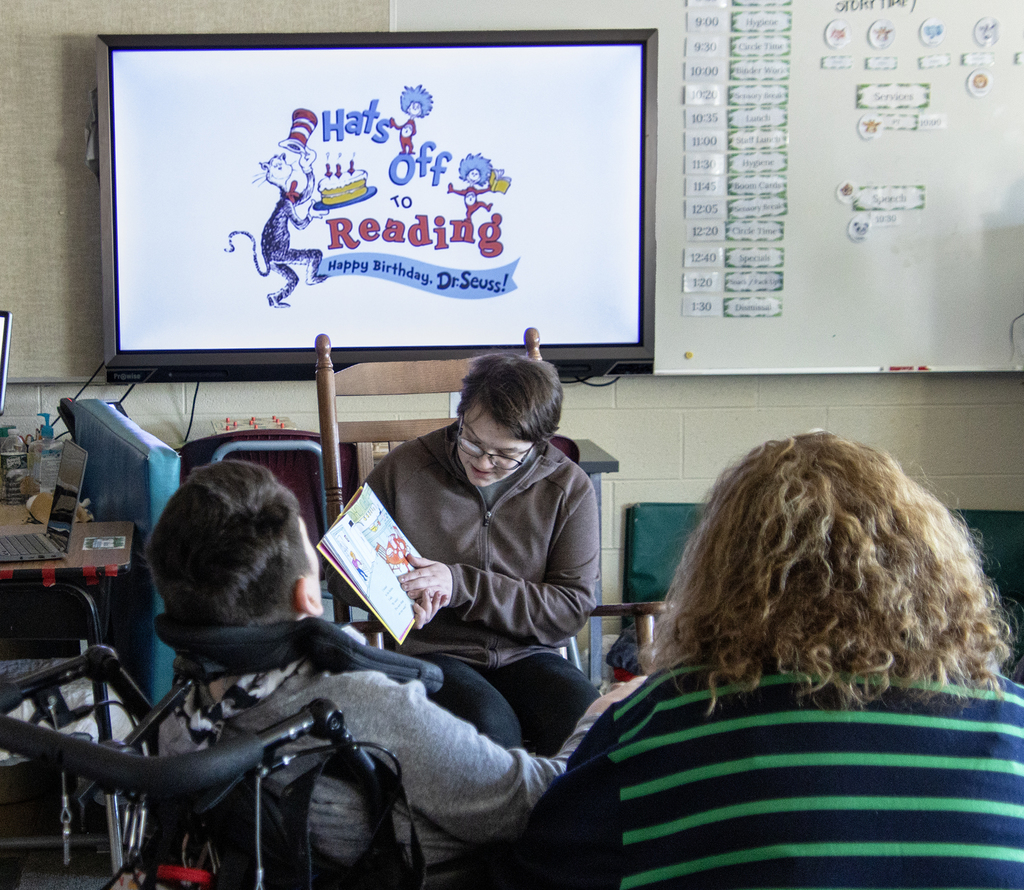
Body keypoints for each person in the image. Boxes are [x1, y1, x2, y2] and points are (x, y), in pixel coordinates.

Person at [492, 432, 1024, 889]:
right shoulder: (1014, 720)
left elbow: (540, 870)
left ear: (721, 574)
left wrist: (591, 730)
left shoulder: (662, 722)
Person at [149, 461, 639, 883]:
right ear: (309, 598)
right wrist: (602, 717)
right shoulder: (365, 701)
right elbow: (531, 802)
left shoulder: (180, 709)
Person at [331, 351, 600, 755]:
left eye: (506, 455)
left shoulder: (567, 488)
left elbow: (570, 608)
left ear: (538, 443)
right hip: (434, 652)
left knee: (587, 724)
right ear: (461, 415)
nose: (484, 462)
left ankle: (555, 819)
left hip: (527, 652)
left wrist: (460, 585)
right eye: (472, 441)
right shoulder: (405, 468)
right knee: (490, 732)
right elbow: (339, 576)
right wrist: (402, 592)